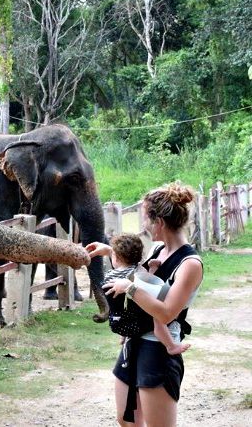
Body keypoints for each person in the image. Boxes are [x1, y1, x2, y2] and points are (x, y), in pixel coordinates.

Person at [86, 182, 203, 427]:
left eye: (145, 219)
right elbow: (139, 274)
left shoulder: (190, 264)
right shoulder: (159, 250)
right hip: (135, 341)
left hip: (158, 348)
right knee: (126, 420)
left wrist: (129, 288)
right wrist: (111, 253)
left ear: (159, 222)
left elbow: (167, 311)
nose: (143, 226)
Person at [103, 234, 190, 356]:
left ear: (115, 259)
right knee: (159, 317)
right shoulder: (136, 271)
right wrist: (153, 269)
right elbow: (149, 283)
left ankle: (125, 336)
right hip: (131, 322)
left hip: (117, 321)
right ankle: (171, 346)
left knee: (126, 306)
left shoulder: (109, 275)